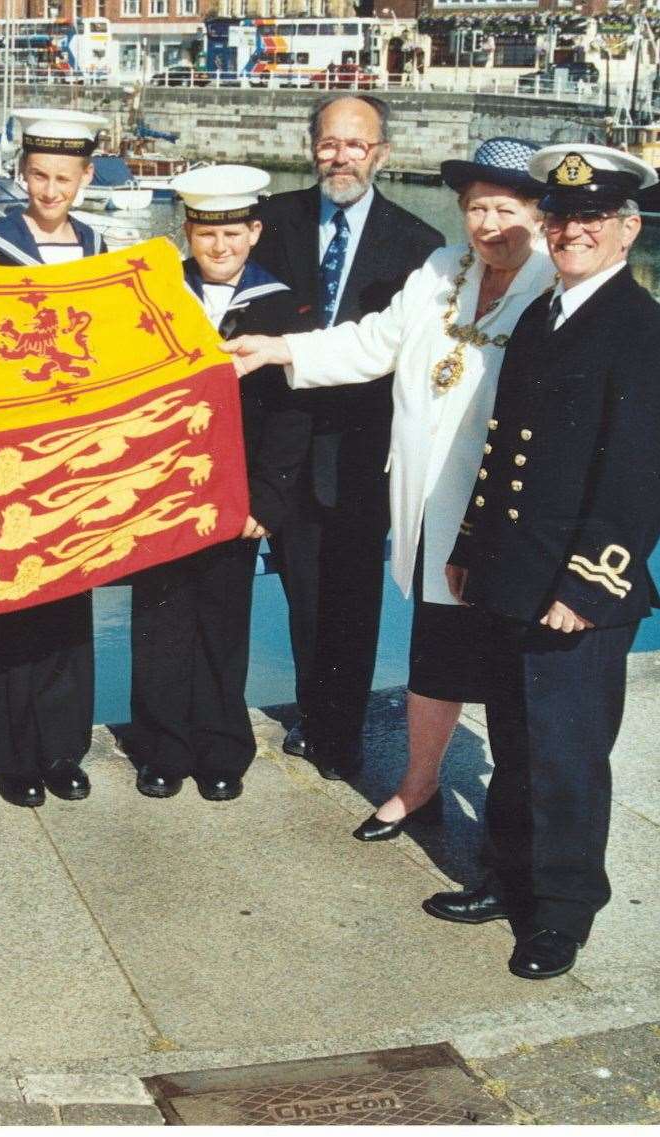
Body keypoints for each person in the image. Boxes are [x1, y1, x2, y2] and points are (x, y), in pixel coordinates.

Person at [222, 138, 554, 841]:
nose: (488, 224)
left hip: (506, 517)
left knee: (506, 673)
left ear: (536, 212)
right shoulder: (441, 269)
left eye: (504, 207)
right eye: (474, 208)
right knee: (432, 653)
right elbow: (373, 342)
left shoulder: (553, 286)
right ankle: (417, 784)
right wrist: (280, 349)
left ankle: (515, 831)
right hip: (432, 505)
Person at [427, 144, 660, 981]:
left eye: (591, 220)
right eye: (561, 219)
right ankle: (511, 880)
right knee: (512, 739)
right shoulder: (547, 310)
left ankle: (564, 910)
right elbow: (504, 449)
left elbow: (639, 481)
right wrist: (471, 548)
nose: (572, 232)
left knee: (566, 754)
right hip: (511, 572)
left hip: (573, 587)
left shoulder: (644, 332)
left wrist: (586, 584)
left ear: (627, 230)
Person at [249, 94, 442, 782]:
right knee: (300, 592)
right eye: (328, 143)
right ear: (311, 147)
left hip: (359, 453)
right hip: (275, 447)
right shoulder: (267, 223)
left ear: (380, 154)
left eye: (355, 145)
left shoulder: (419, 248)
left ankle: (339, 734)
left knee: (350, 599)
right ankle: (310, 711)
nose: (340, 157)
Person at [129, 165, 310, 802]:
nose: (221, 246)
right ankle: (161, 749)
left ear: (254, 232)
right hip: (163, 492)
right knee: (160, 620)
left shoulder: (283, 304)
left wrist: (269, 496)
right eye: (207, 233)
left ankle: (222, 747)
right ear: (187, 232)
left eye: (233, 232)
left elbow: (292, 415)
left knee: (223, 620)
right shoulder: (156, 295)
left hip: (236, 494)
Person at [0, 107, 108, 809]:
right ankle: (8, 750)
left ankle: (61, 748)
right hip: (6, 449)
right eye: (38, 176)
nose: (50, 191)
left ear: (85, 178)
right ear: (22, 174)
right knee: (10, 594)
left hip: (77, 452)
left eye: (64, 178)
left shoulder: (103, 251)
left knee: (68, 605)